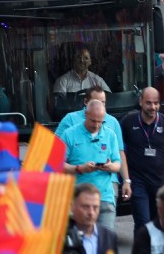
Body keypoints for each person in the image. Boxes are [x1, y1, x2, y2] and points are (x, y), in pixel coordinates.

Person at [121, 87, 164, 233]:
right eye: (148, 103)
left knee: (158, 223)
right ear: (141, 102)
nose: (153, 107)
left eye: (156, 103)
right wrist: (126, 180)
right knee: (142, 222)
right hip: (137, 181)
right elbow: (119, 149)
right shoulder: (128, 121)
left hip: (160, 181)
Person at [55, 85, 130, 201]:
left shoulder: (113, 122)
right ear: (86, 102)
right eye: (96, 101)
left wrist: (126, 180)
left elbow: (120, 153)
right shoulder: (70, 120)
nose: (99, 106)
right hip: (79, 184)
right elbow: (55, 150)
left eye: (103, 102)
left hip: (107, 186)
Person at [60, 99, 121, 231]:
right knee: (81, 245)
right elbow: (57, 165)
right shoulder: (69, 134)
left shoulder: (110, 135)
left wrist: (110, 166)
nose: (97, 125)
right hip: (79, 199)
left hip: (105, 198)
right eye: (93, 121)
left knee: (105, 243)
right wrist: (79, 168)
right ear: (86, 115)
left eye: (100, 121)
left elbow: (118, 164)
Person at [63, 183, 119, 254]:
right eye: (85, 207)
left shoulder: (109, 237)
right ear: (72, 206)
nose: (91, 213)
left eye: (95, 207)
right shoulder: (60, 238)